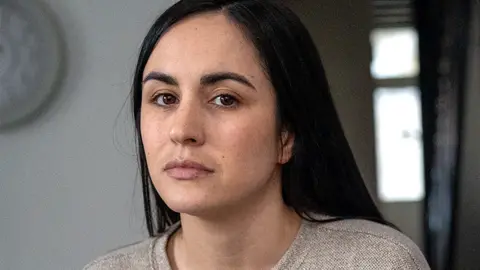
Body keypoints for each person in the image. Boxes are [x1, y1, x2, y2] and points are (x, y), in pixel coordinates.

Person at [85, 0, 430, 269]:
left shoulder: (378, 263)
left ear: (287, 134)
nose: (182, 130)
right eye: (165, 98)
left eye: (225, 99)